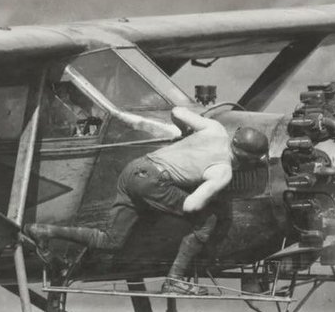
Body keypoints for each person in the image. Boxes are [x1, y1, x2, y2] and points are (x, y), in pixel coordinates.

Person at [25, 106, 269, 295]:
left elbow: (178, 112)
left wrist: (186, 135)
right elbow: (190, 205)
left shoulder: (215, 129)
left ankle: (45, 230)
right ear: (249, 161)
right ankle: (174, 280)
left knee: (111, 240)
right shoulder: (222, 171)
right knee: (206, 221)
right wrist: (208, 197)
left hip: (134, 170)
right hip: (153, 182)